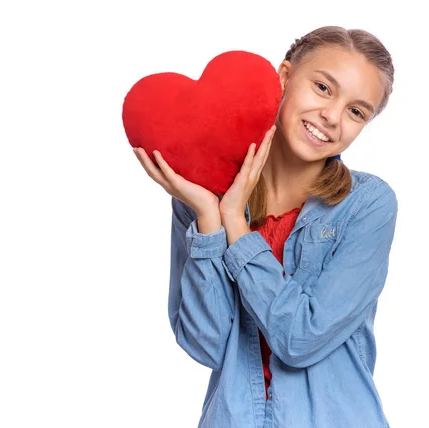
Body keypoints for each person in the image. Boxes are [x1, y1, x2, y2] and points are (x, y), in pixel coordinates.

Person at [134, 25, 398, 428]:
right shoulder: (202, 195)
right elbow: (206, 345)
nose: (331, 117)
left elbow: (300, 337)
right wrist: (209, 217)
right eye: (323, 88)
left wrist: (236, 228)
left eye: (356, 111)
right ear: (285, 78)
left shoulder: (366, 205)